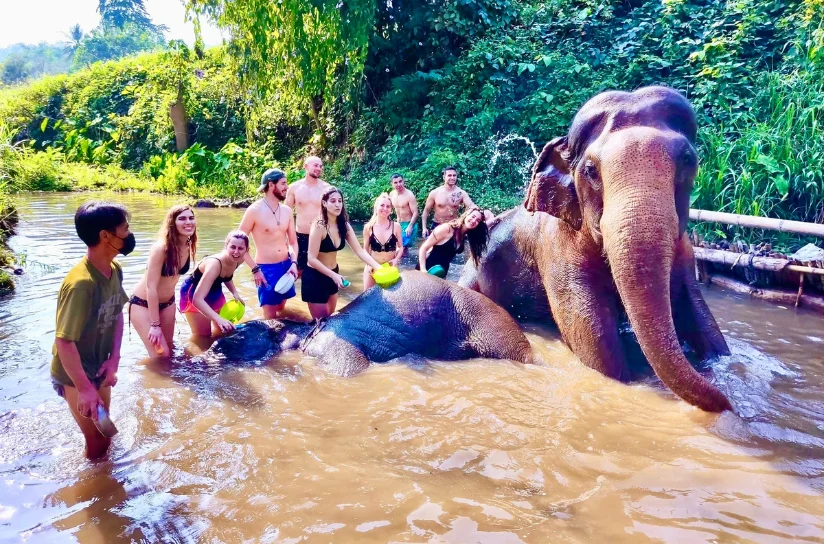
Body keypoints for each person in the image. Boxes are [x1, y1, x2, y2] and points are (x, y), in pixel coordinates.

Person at [51, 201, 132, 460]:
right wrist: (84, 388)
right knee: (96, 441)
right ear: (105, 236)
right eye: (125, 229)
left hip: (99, 365)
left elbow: (118, 311)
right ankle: (93, 495)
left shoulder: (114, 269)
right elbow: (64, 342)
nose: (129, 235)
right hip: (74, 373)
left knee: (106, 432)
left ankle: (108, 479)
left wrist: (114, 360)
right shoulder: (81, 284)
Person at [129, 205, 197, 357]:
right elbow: (150, 287)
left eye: (191, 218)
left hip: (168, 303)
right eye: (182, 218)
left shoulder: (188, 245)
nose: (188, 222)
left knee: (170, 351)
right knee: (160, 355)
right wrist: (155, 324)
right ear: (172, 223)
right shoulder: (161, 248)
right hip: (142, 304)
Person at [304, 186, 383, 319]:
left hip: (334, 273)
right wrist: (333, 276)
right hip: (315, 277)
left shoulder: (344, 226)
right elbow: (311, 258)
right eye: (333, 201)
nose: (337, 204)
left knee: (332, 319)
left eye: (340, 201)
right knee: (321, 323)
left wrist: (378, 267)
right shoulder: (318, 226)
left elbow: (360, 252)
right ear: (324, 203)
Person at [240, 168, 299, 318]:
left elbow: (292, 242)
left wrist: (294, 263)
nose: (287, 187)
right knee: (270, 317)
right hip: (265, 270)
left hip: (287, 266)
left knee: (281, 308)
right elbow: (238, 244)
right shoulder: (254, 210)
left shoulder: (286, 211)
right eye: (283, 183)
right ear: (271, 185)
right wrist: (255, 269)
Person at [179, 230, 248, 336]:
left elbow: (227, 276)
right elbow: (197, 299)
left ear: (246, 250)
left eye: (240, 248)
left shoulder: (240, 259)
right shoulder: (214, 264)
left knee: (223, 330)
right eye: (233, 247)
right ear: (226, 246)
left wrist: (235, 292)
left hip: (215, 290)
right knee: (203, 336)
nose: (236, 252)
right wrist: (218, 319)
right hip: (194, 293)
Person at [285, 156, 330, 276]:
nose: (319, 168)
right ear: (306, 166)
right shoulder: (294, 188)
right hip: (301, 236)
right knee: (299, 272)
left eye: (320, 166)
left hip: (321, 235)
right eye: (315, 165)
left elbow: (332, 214)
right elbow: (286, 213)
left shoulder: (327, 188)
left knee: (323, 270)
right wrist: (285, 237)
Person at [418, 207, 488, 277]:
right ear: (466, 215)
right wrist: (423, 270)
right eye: (473, 216)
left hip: (441, 273)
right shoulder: (447, 229)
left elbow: (485, 228)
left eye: (477, 220)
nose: (473, 221)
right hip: (427, 269)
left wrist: (495, 219)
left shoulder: (463, 235)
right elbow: (423, 248)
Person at [421, 166, 476, 239]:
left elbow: (471, 205)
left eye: (454, 175)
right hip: (437, 225)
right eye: (449, 175)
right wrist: (424, 228)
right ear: (444, 177)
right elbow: (426, 211)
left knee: (453, 249)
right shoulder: (435, 193)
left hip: (453, 225)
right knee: (435, 249)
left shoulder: (461, 193)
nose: (452, 178)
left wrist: (482, 212)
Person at [362, 193, 404, 290]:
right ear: (376, 207)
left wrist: (396, 260)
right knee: (367, 298)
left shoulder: (396, 226)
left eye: (388, 206)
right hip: (372, 268)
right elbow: (365, 250)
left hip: (390, 267)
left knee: (392, 298)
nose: (385, 208)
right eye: (382, 205)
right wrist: (370, 265)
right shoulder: (368, 227)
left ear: (391, 210)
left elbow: (401, 247)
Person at [389, 173, 419, 248]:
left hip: (409, 224)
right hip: (399, 224)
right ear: (392, 184)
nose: (398, 184)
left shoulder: (409, 195)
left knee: (403, 248)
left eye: (400, 181)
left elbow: (415, 213)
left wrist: (410, 226)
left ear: (403, 181)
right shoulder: (392, 194)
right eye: (395, 182)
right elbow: (389, 210)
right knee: (395, 247)